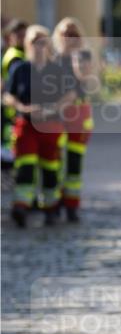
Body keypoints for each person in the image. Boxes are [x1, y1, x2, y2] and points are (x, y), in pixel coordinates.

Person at [3, 25, 76, 227]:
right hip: (26, 126)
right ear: (27, 44)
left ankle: (51, 209)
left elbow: (70, 94)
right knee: (25, 168)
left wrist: (53, 107)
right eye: (34, 41)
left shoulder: (57, 70)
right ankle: (21, 208)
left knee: (50, 169)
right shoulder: (21, 69)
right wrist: (22, 107)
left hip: (51, 126)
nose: (38, 45)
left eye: (41, 41)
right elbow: (8, 95)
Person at [53, 17, 95, 222]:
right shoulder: (53, 58)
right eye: (65, 34)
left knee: (74, 163)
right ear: (58, 36)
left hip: (78, 114)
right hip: (57, 115)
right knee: (54, 160)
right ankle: (54, 202)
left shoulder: (83, 55)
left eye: (74, 34)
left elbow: (84, 79)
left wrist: (76, 56)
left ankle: (71, 205)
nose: (69, 38)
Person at [1, 19, 27, 167]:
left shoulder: (18, 53)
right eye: (19, 35)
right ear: (11, 36)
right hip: (13, 108)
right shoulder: (15, 56)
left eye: (24, 35)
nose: (22, 38)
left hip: (12, 106)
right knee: (11, 145)